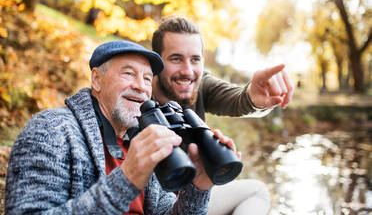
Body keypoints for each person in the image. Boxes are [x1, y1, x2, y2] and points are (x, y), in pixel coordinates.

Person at [5, 40, 237, 214]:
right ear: (96, 80)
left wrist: (198, 189)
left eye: (147, 79)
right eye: (128, 73)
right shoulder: (52, 130)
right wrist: (126, 180)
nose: (140, 87)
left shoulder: (144, 140)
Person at [151, 16, 294, 215]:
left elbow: (238, 99)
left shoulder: (200, 86)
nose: (188, 71)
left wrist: (255, 96)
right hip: (150, 202)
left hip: (192, 195)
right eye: (176, 59)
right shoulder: (137, 94)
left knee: (257, 192)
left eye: (195, 59)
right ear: (156, 62)